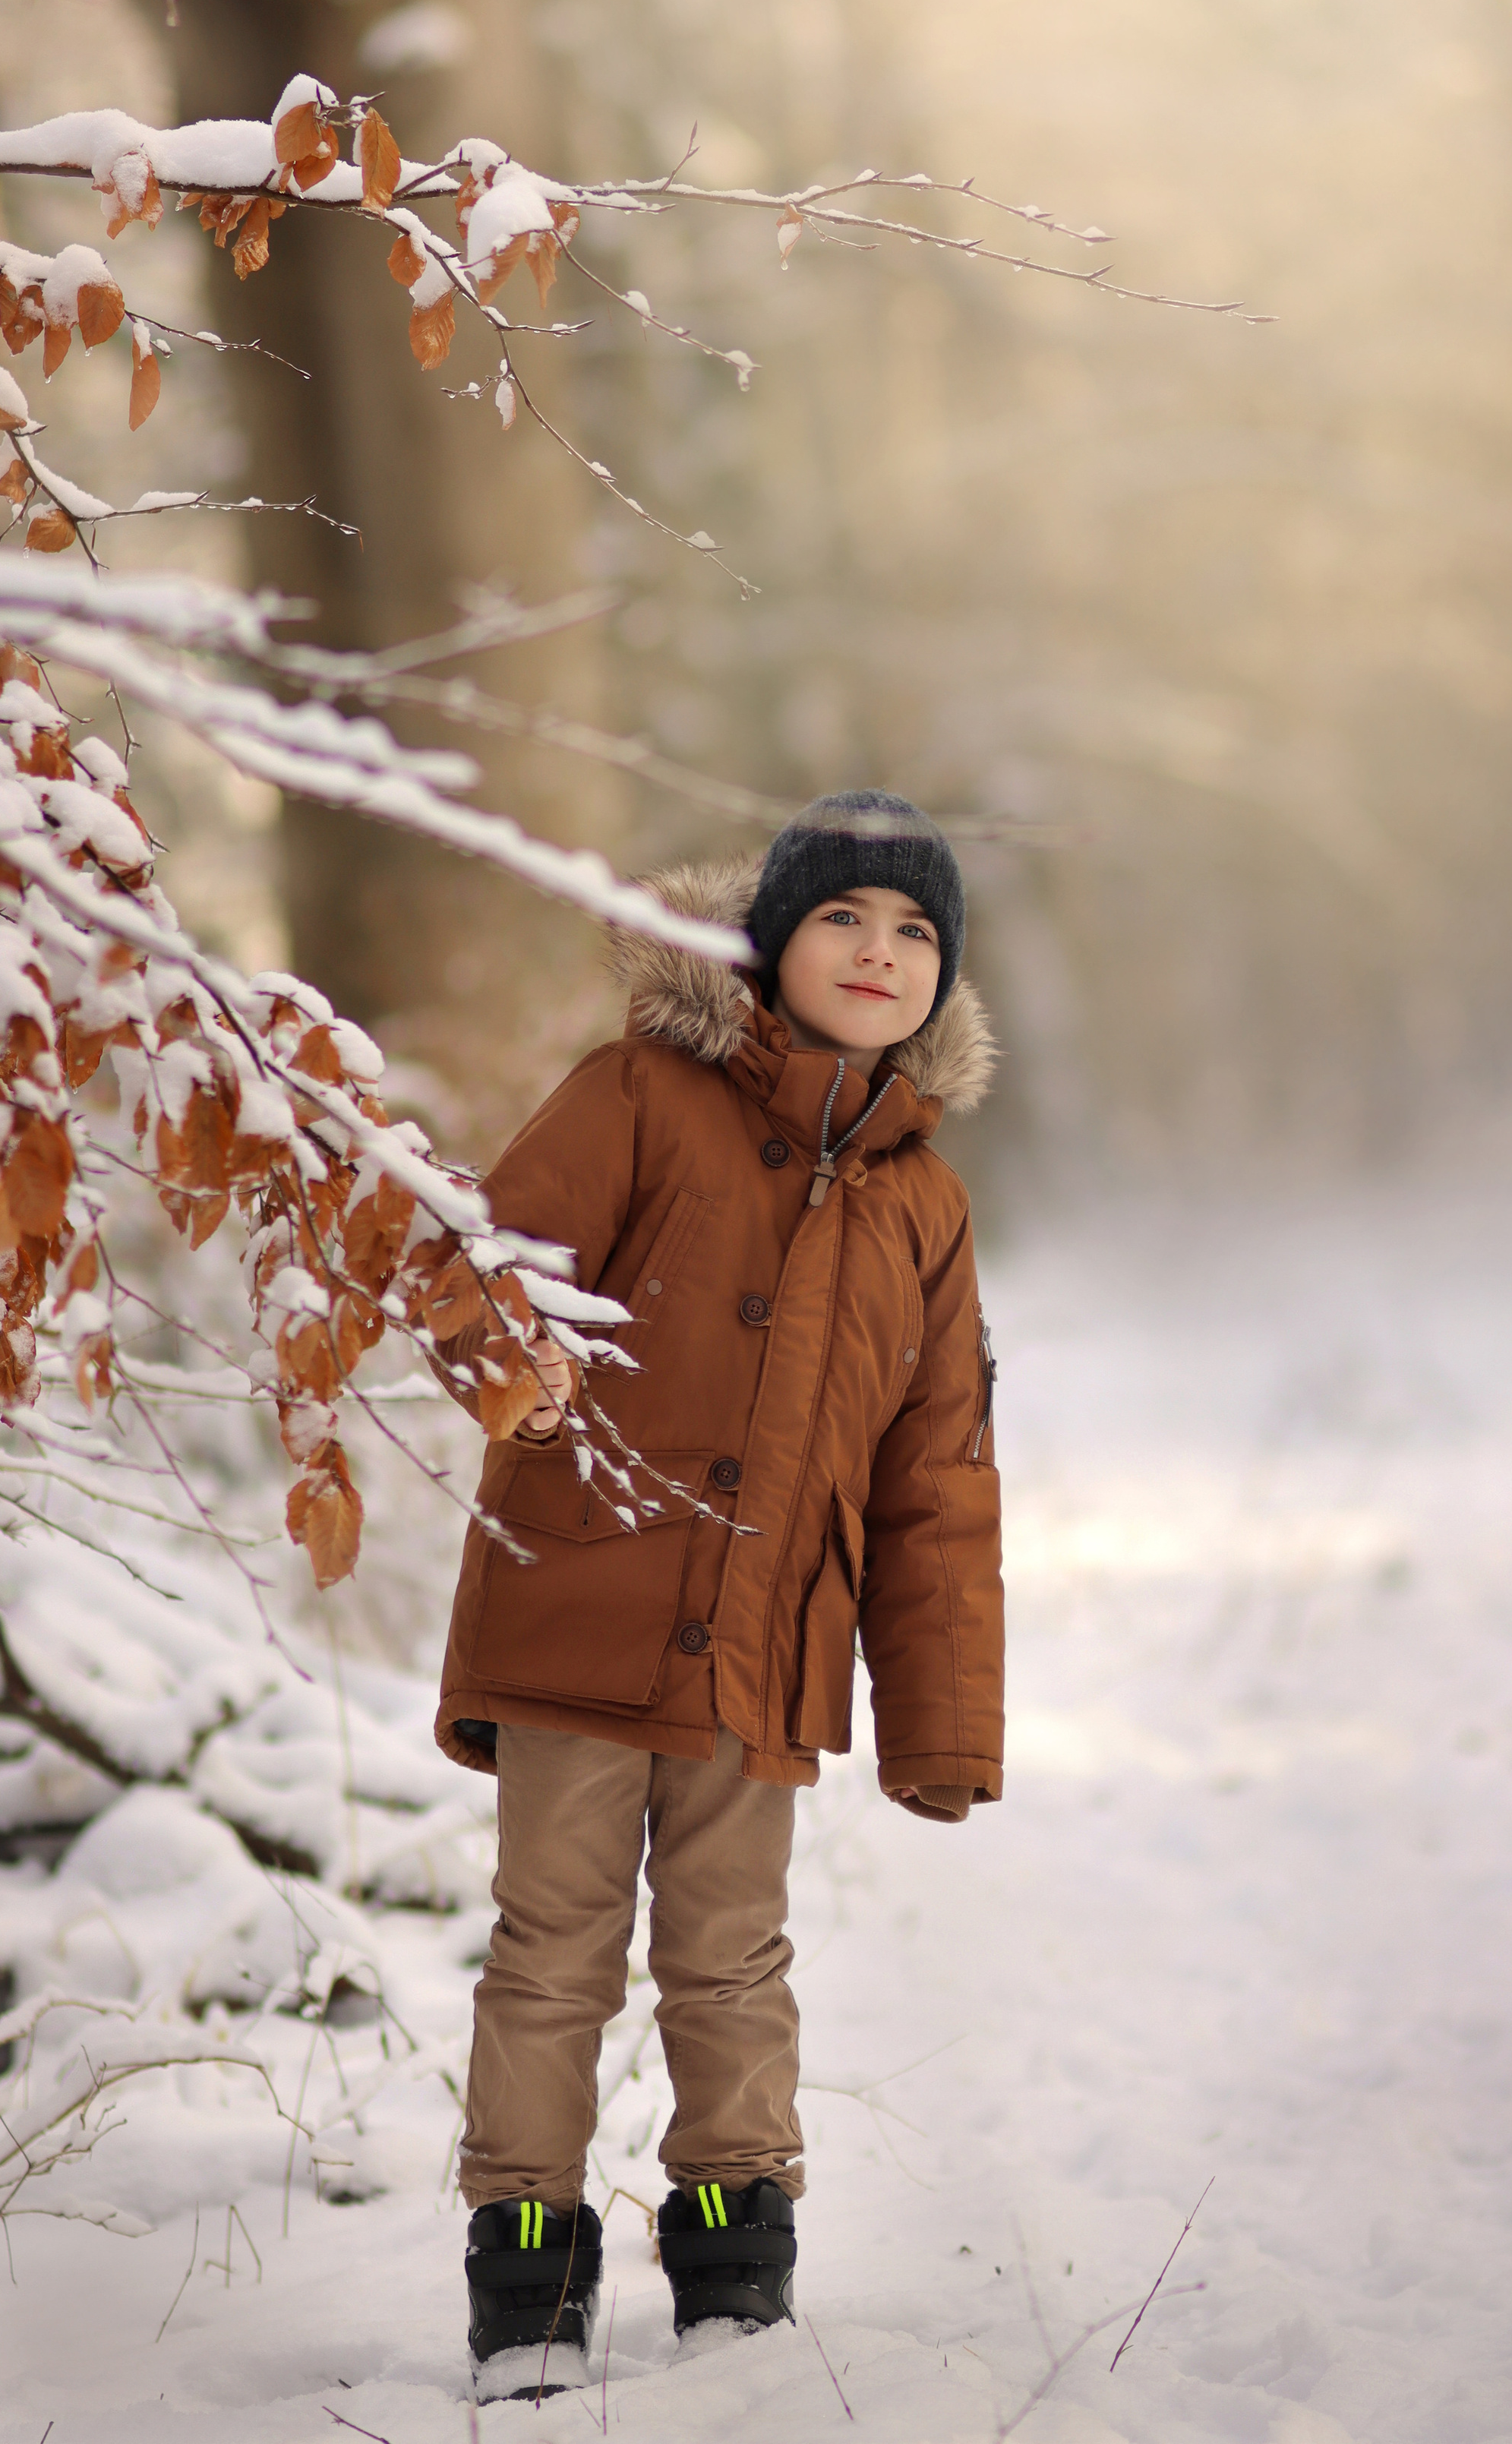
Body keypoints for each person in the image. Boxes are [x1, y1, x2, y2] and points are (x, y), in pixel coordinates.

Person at [433, 789, 1005, 2401]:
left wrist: (941, 1718)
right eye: (843, 918)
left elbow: (936, 1480)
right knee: (551, 1951)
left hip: (762, 1656)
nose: (878, 952)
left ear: (942, 978)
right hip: (577, 1622)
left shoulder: (924, 1202)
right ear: (768, 943)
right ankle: (525, 2282)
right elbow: (488, 1268)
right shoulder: (639, 1096)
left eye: (913, 932)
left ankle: (730, 2264)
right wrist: (516, 1370)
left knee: (730, 1960)